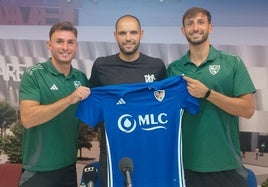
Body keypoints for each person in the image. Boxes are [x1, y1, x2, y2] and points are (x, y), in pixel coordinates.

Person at [167, 7, 256, 187]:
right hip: (187, 165)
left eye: (200, 22)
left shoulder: (232, 63)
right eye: (189, 24)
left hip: (226, 164)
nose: (195, 27)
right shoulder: (174, 69)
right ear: (183, 30)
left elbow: (248, 110)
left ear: (210, 27)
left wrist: (207, 93)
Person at [88, 15, 166, 186]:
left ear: (141, 34)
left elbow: (164, 104)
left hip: (148, 146)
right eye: (123, 33)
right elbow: (92, 99)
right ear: (115, 35)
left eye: (133, 32)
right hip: (112, 148)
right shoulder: (101, 66)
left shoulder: (157, 66)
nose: (128, 38)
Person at [19, 21, 90, 187]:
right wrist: (69, 99)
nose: (65, 47)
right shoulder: (34, 75)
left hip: (68, 168)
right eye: (59, 41)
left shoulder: (81, 78)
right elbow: (28, 119)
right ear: (49, 45)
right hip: (38, 170)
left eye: (70, 42)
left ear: (76, 46)